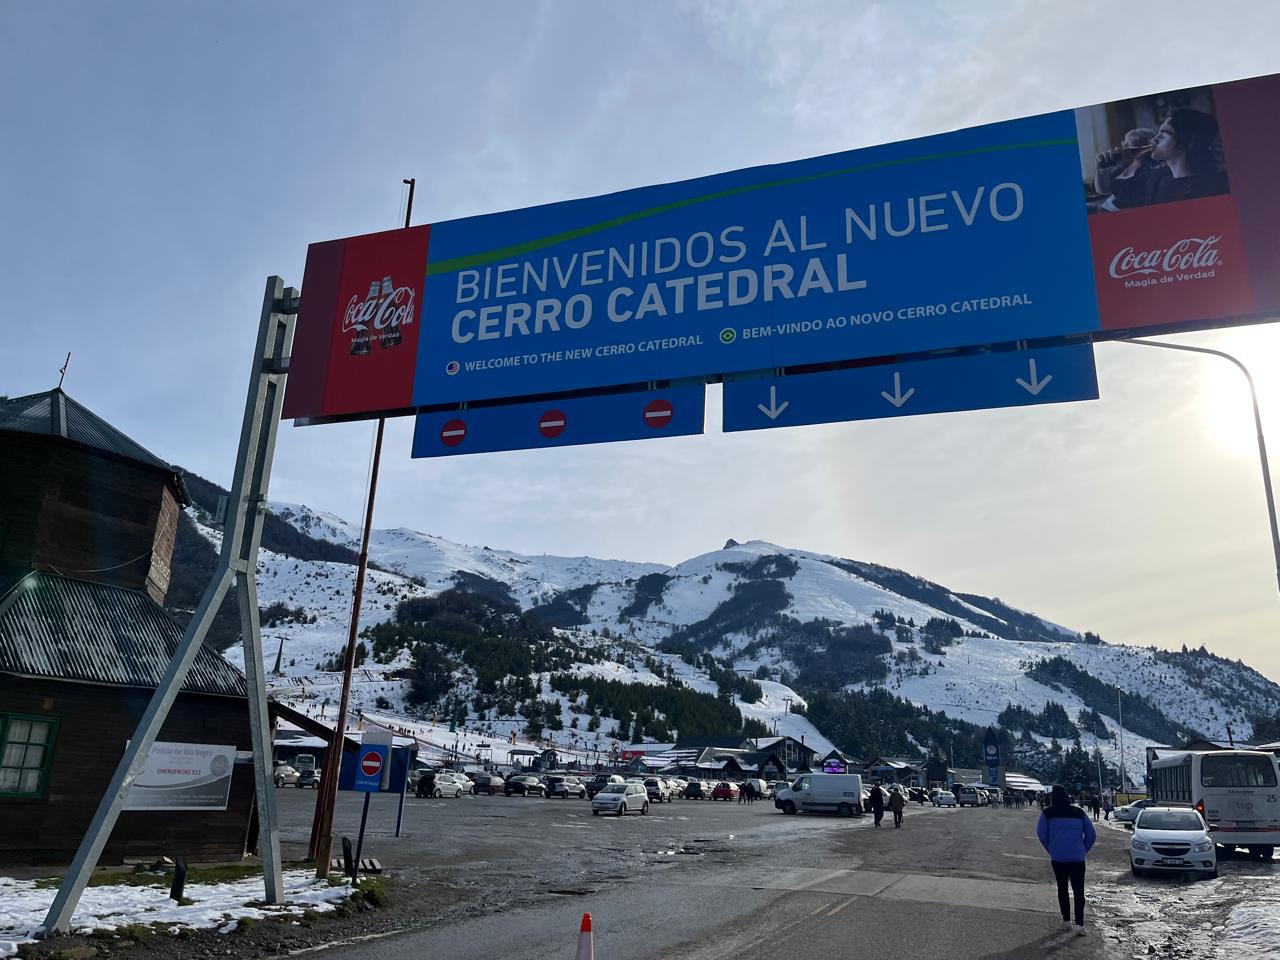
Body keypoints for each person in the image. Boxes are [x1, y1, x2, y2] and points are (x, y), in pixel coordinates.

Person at [1036, 785, 1097, 937]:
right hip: (1077, 858)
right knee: (1078, 891)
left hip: (1058, 858)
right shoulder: (1079, 813)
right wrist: (1083, 849)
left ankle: (1066, 920)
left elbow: (1041, 834)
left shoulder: (1047, 813)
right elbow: (1091, 834)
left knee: (1062, 888)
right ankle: (1079, 924)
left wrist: (1052, 849)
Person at [1145, 107, 1228, 205]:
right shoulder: (1156, 179)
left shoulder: (1207, 188)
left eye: (1162, 136)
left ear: (1187, 143)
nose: (1153, 140)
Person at [1094, 127, 1158, 210]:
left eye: (1128, 143)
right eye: (1123, 142)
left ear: (1145, 145)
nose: (1123, 145)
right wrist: (1100, 168)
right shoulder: (1126, 163)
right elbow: (1101, 190)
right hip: (1105, 207)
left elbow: (1129, 195)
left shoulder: (1152, 168)